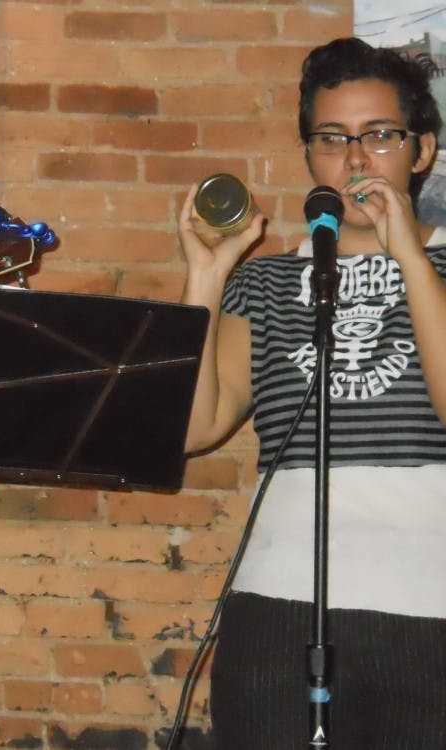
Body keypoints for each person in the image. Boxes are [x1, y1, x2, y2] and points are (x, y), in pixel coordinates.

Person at [178, 37, 446, 749]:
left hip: (433, 610)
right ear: (309, 156)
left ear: (422, 150)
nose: (355, 161)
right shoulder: (266, 282)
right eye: (331, 139)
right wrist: (207, 276)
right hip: (280, 608)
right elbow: (194, 428)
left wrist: (410, 257)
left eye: (379, 136)